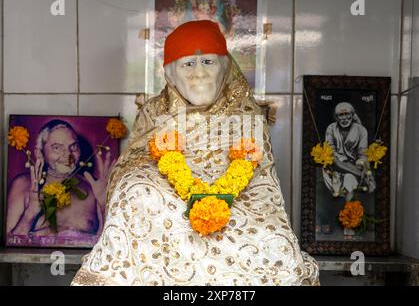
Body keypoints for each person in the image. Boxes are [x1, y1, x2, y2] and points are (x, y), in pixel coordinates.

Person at [72, 20, 319, 285]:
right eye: (188, 64)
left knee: (269, 234)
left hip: (236, 214)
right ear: (170, 73)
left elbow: (262, 185)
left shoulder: (247, 115)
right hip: (167, 215)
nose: (199, 73)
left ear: (224, 67)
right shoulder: (154, 113)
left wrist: (218, 196)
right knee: (135, 189)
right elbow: (133, 167)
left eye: (208, 63)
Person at [7, 120, 114, 241]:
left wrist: (105, 205)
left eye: (73, 146)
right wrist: (30, 213)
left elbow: (109, 243)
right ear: (39, 153)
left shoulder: (94, 186)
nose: (68, 155)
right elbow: (9, 245)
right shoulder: (23, 185)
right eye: (57, 147)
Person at [323, 103, 376, 201]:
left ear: (352, 115)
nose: (344, 118)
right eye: (340, 115)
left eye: (347, 114)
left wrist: (361, 163)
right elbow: (330, 150)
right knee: (333, 160)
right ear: (336, 117)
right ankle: (361, 176)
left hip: (355, 164)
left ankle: (349, 212)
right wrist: (343, 160)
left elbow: (363, 153)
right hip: (336, 163)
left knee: (350, 177)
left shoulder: (361, 130)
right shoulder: (331, 128)